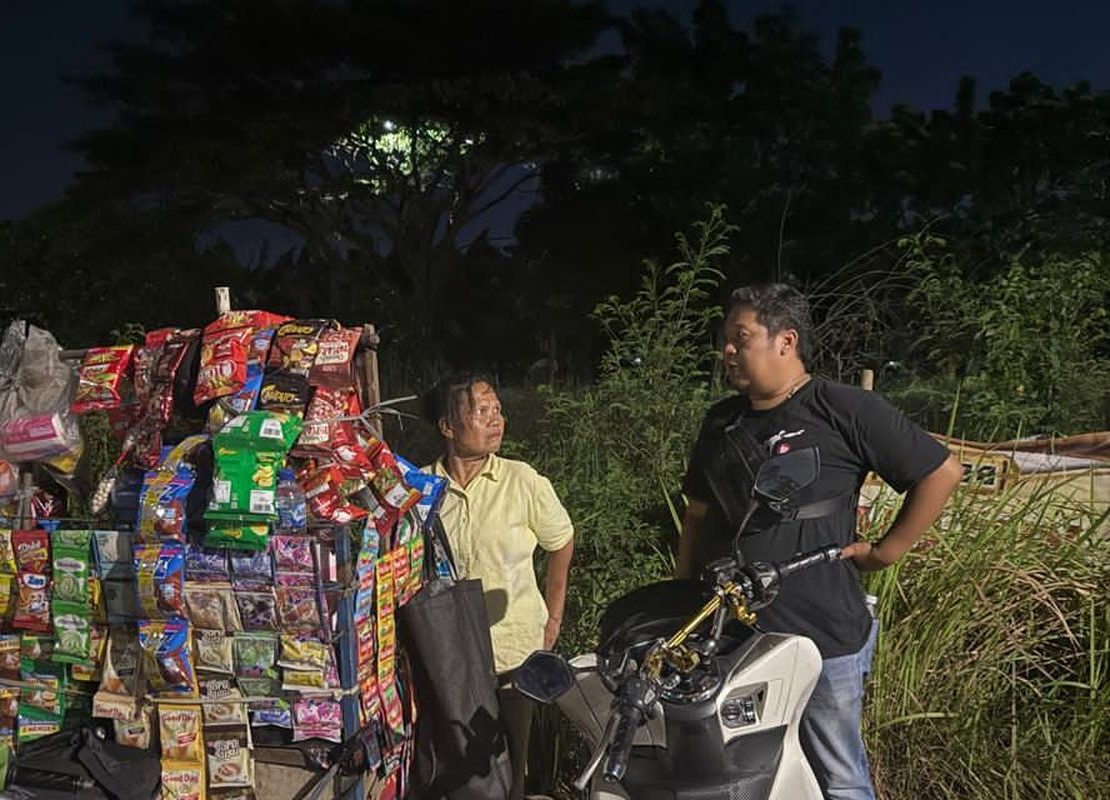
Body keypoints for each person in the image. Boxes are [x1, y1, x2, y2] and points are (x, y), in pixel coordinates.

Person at [676, 284, 962, 800]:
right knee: (740, 776)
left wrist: (886, 551)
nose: (728, 350)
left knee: (838, 777)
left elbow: (941, 472)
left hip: (821, 634)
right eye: (726, 339)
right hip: (731, 635)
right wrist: (680, 600)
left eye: (741, 337)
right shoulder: (722, 421)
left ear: (786, 341)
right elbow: (697, 517)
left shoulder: (843, 407)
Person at [423, 372, 575, 800]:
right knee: (460, 770)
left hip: (514, 652)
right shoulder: (423, 488)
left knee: (511, 770)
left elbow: (561, 542)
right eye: (482, 411)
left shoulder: (521, 480)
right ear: (447, 426)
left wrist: (553, 617)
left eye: (498, 410)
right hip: (451, 656)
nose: (497, 420)